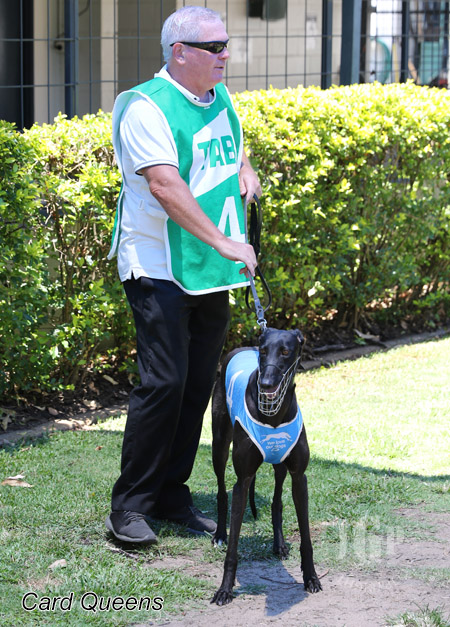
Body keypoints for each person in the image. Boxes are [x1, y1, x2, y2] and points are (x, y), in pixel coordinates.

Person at [105, 5, 261, 544]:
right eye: (214, 47)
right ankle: (130, 506)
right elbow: (165, 185)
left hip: (207, 269)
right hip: (156, 264)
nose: (225, 55)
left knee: (195, 384)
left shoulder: (219, 97)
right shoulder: (145, 107)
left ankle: (172, 494)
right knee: (164, 383)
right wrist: (225, 242)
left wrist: (246, 171)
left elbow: (233, 148)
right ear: (180, 52)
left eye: (226, 44)